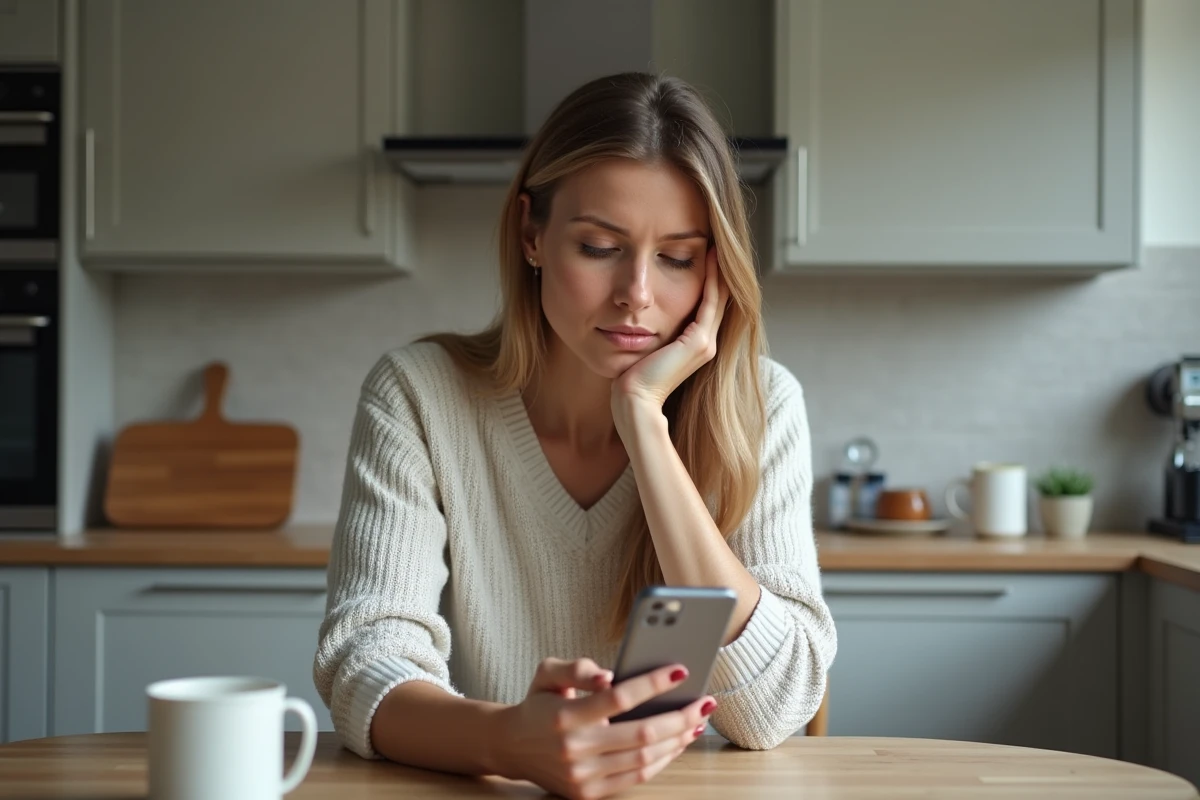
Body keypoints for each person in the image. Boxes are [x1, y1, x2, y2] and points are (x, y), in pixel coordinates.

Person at [313, 71, 837, 800]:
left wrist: (645, 428)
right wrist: (512, 741)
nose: (638, 295)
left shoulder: (762, 405)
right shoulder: (420, 394)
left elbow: (774, 709)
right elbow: (365, 664)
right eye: (599, 247)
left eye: (679, 258)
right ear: (532, 233)